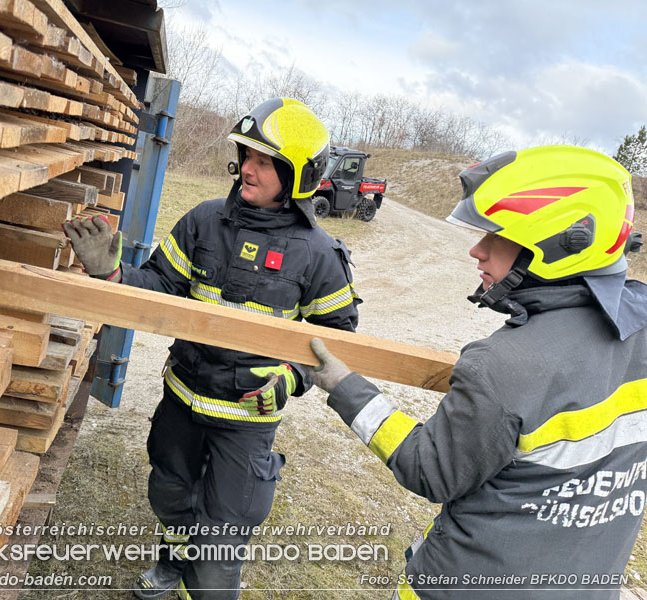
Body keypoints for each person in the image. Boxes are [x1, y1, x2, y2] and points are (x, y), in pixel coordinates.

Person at [305, 145, 647, 600]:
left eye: (496, 236)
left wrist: (346, 388)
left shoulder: (504, 366)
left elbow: (430, 470)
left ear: (559, 245)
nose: (477, 250)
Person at [63, 97, 361, 599]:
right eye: (246, 155)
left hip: (245, 419)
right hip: (183, 396)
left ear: (297, 174)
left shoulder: (319, 254)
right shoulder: (204, 221)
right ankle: (172, 563)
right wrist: (112, 275)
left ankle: (209, 584)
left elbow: (336, 336)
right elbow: (162, 284)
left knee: (227, 525)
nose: (247, 167)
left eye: (264, 161)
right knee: (169, 491)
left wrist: (288, 378)